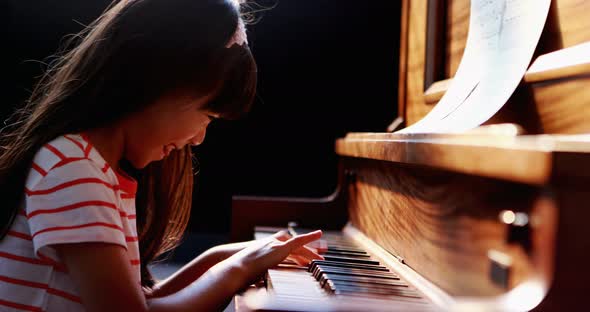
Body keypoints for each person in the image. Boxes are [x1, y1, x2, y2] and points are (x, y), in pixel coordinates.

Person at [0, 0, 324, 311]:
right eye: (208, 115)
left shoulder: (92, 167)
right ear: (160, 81)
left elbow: (143, 301)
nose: (198, 139)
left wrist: (223, 256)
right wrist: (239, 267)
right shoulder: (71, 167)